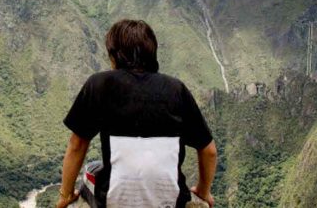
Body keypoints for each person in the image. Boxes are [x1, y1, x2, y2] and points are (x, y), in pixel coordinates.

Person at [55, 19, 218, 208]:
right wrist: (203, 191)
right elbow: (209, 151)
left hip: (114, 200)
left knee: (91, 169)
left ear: (114, 55)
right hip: (172, 202)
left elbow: (77, 145)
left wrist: (65, 195)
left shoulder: (99, 84)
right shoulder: (177, 89)